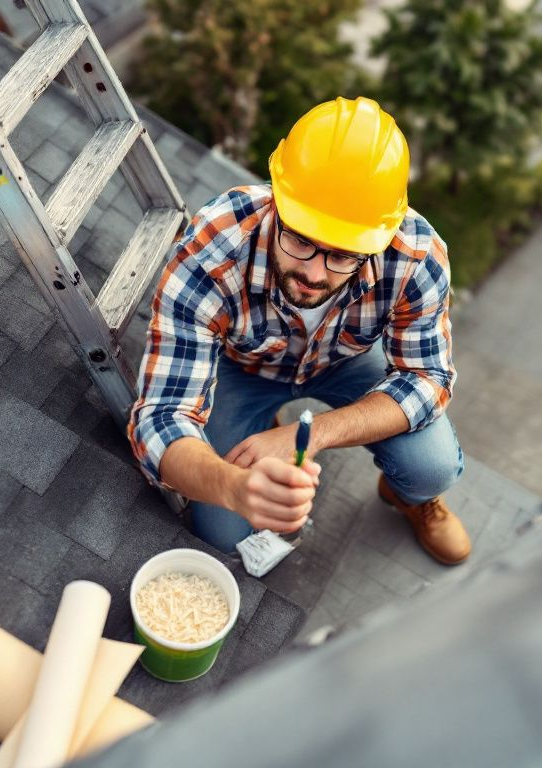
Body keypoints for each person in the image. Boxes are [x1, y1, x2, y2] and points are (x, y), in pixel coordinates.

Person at [126, 97, 471, 565]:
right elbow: (160, 418)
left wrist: (314, 435)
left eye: (344, 255)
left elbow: (428, 379)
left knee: (429, 468)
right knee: (223, 533)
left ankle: (407, 496)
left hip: (344, 364)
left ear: (380, 236)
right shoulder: (215, 245)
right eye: (300, 240)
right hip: (243, 370)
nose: (314, 272)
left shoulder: (417, 256)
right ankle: (258, 430)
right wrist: (235, 487)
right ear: (278, 199)